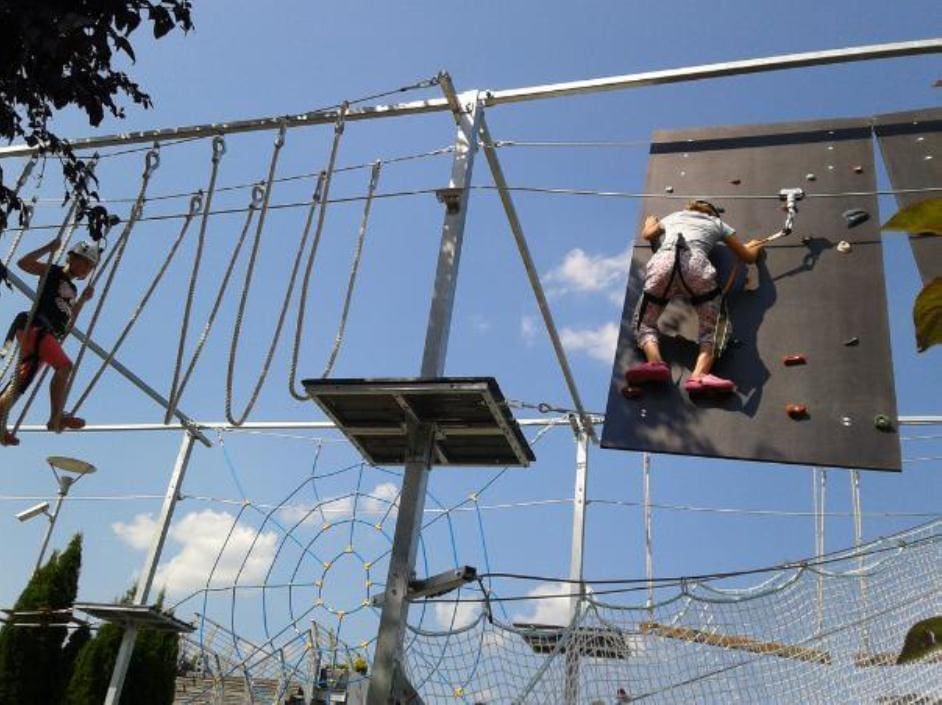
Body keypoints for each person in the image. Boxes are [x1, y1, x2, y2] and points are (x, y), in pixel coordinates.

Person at [627, 200, 766, 393]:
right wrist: (755, 245)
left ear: (689, 209)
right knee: (713, 326)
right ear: (712, 214)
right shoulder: (717, 224)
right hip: (695, 267)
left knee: (644, 322)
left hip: (663, 263)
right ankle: (699, 375)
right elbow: (748, 257)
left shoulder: (675, 216)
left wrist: (650, 222)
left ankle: (655, 363)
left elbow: (648, 234)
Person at [0, 236, 97, 445]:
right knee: (65, 366)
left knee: (20, 384)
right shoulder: (53, 272)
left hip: (47, 335)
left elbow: (69, 322)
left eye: (89, 267)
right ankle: (56, 417)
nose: (86, 268)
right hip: (36, 326)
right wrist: (48, 247)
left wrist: (82, 301)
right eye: (84, 262)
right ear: (72, 258)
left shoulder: (74, 289)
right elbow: (23, 264)